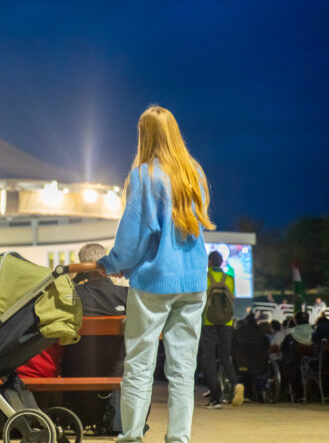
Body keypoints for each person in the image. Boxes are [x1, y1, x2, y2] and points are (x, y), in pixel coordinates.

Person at [96, 106, 215, 443]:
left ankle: (131, 436)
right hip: (192, 282)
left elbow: (134, 235)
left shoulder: (144, 175)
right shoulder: (195, 174)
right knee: (182, 370)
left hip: (154, 282)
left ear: (144, 135)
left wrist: (112, 262)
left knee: (139, 365)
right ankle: (179, 438)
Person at [60, 243, 129, 431]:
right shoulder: (124, 295)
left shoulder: (74, 296)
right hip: (116, 371)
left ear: (83, 268)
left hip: (79, 371)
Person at [200, 250, 244, 408]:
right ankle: (236, 383)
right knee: (225, 357)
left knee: (210, 358)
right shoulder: (229, 279)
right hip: (227, 323)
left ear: (210, 262)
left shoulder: (205, 278)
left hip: (208, 321)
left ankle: (216, 398)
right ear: (222, 262)